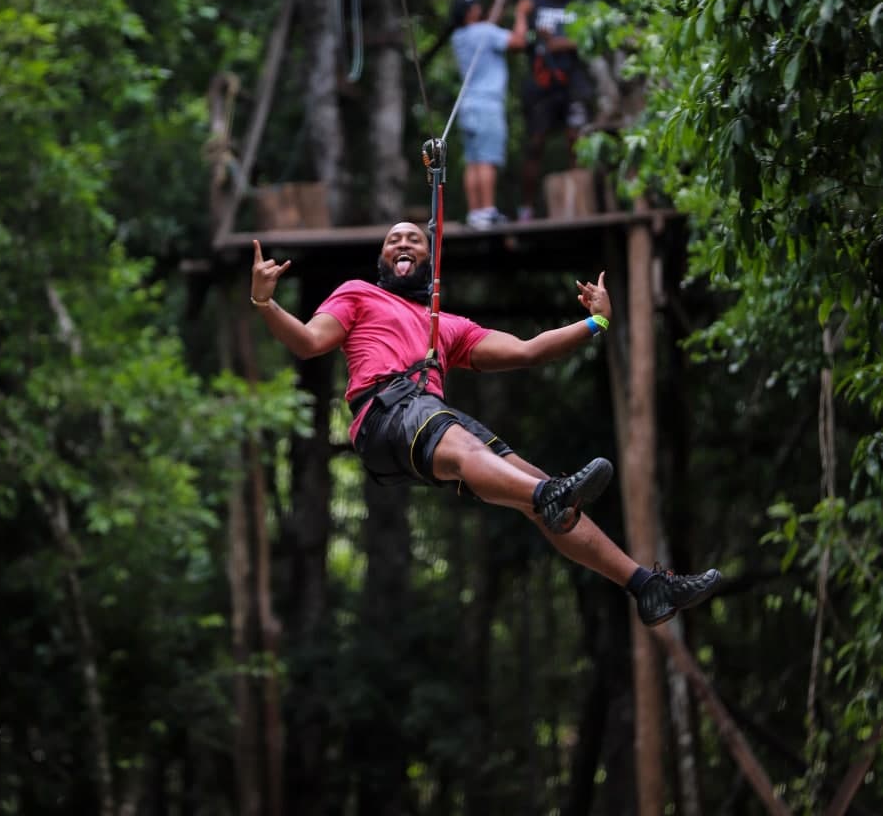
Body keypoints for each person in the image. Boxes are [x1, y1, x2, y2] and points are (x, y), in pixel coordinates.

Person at [250, 223, 723, 628]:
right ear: (382, 257)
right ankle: (548, 498)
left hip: (425, 416)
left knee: (533, 480)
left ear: (428, 257)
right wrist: (266, 304)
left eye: (413, 239)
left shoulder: (448, 327)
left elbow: (527, 350)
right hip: (385, 413)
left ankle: (644, 586)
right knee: (508, 471)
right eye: (393, 240)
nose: (402, 244)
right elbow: (311, 342)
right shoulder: (359, 294)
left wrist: (597, 321)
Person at [516, 0, 597, 221]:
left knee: (575, 139)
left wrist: (562, 43)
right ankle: (526, 207)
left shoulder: (579, 4)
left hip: (573, 81)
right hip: (542, 83)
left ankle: (580, 202)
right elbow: (520, 41)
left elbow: (590, 38)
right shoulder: (534, 2)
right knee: (535, 143)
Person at [448, 0, 527, 229]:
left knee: (472, 160)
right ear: (471, 12)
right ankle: (488, 211)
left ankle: (475, 212)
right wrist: (521, 14)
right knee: (487, 160)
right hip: (487, 104)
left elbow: (488, 27)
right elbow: (518, 41)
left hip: (467, 104)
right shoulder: (485, 32)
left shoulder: (459, 36)